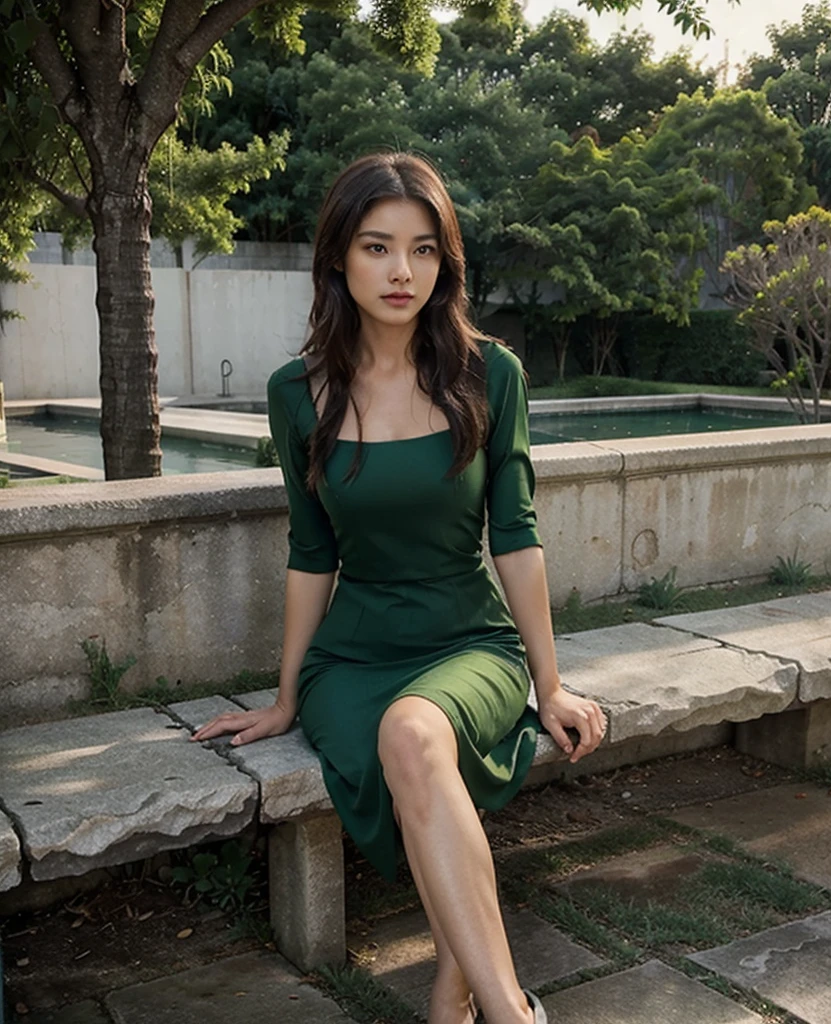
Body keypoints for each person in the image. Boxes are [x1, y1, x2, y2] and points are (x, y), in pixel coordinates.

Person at [192, 151, 607, 1024]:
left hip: (469, 642)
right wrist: (284, 697)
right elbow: (312, 553)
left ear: (444, 264)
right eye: (378, 247)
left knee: (416, 735)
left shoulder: (492, 375)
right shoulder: (296, 394)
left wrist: (551, 684)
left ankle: (499, 1011)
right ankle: (470, 1000)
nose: (401, 272)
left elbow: (518, 538)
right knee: (403, 737)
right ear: (339, 256)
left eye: (423, 251)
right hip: (353, 657)